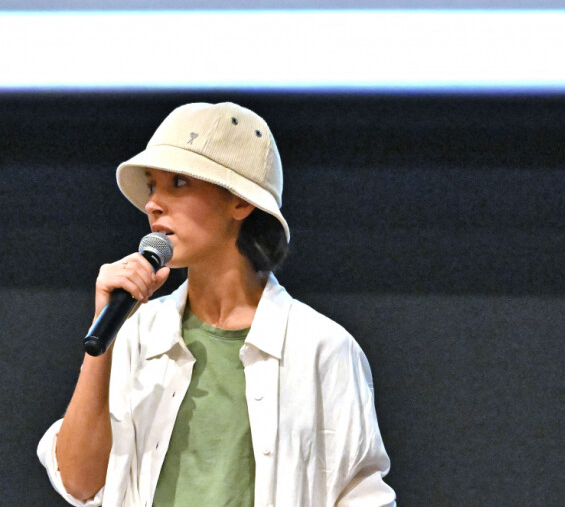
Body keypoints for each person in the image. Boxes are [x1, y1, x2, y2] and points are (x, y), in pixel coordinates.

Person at [38, 102, 396, 507]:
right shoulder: (135, 332)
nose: (153, 203)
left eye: (178, 182)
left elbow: (361, 495)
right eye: (152, 185)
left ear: (240, 203)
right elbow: (80, 484)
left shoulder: (322, 348)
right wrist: (104, 338)